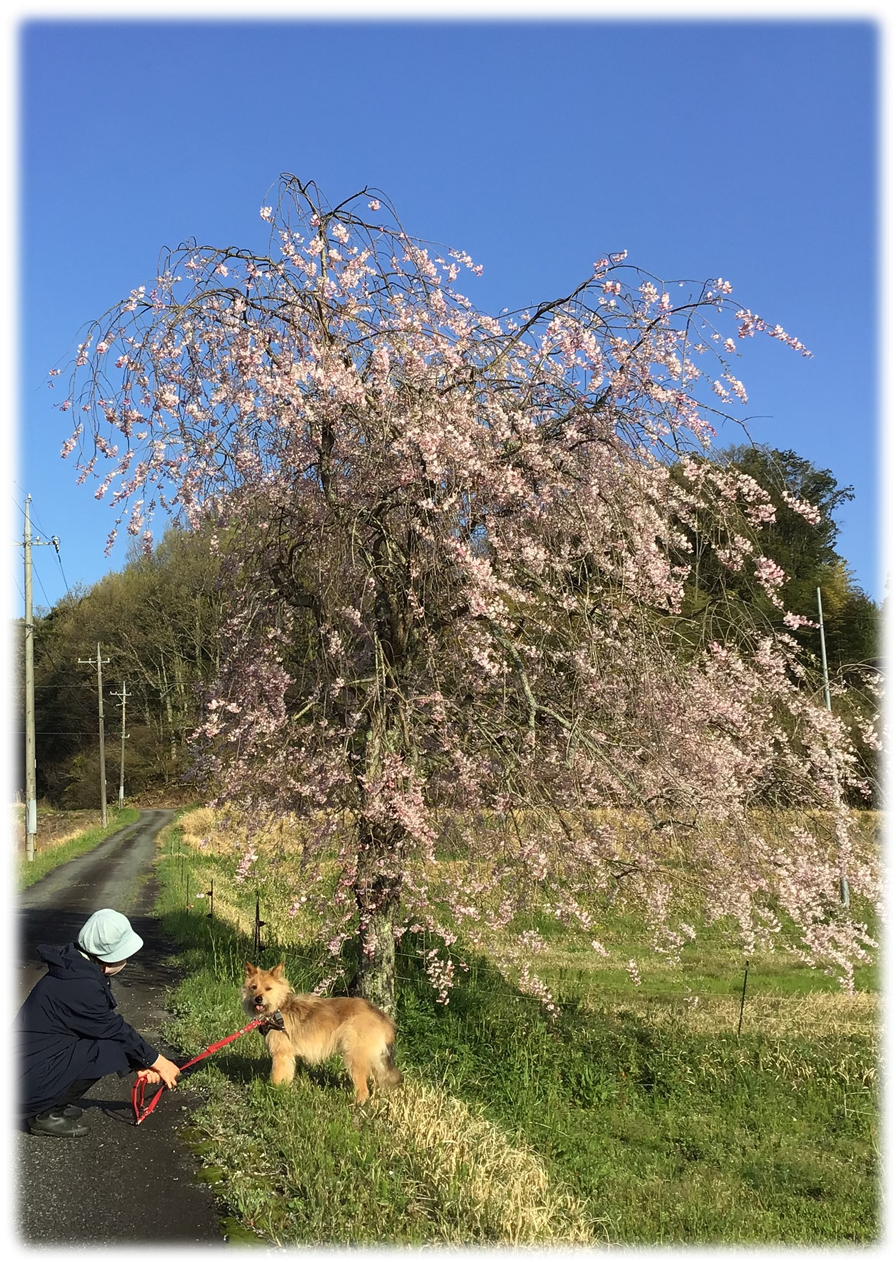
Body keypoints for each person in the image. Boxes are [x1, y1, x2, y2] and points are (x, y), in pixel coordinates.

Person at [5, 908, 181, 1137]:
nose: (126, 960)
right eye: (124, 955)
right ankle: (42, 1113)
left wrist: (141, 1064)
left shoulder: (73, 966)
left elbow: (101, 1028)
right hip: (20, 1082)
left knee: (106, 1043)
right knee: (106, 1048)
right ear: (107, 958)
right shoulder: (81, 984)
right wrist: (158, 1061)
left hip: (20, 1072)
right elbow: (115, 1031)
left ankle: (51, 1103)